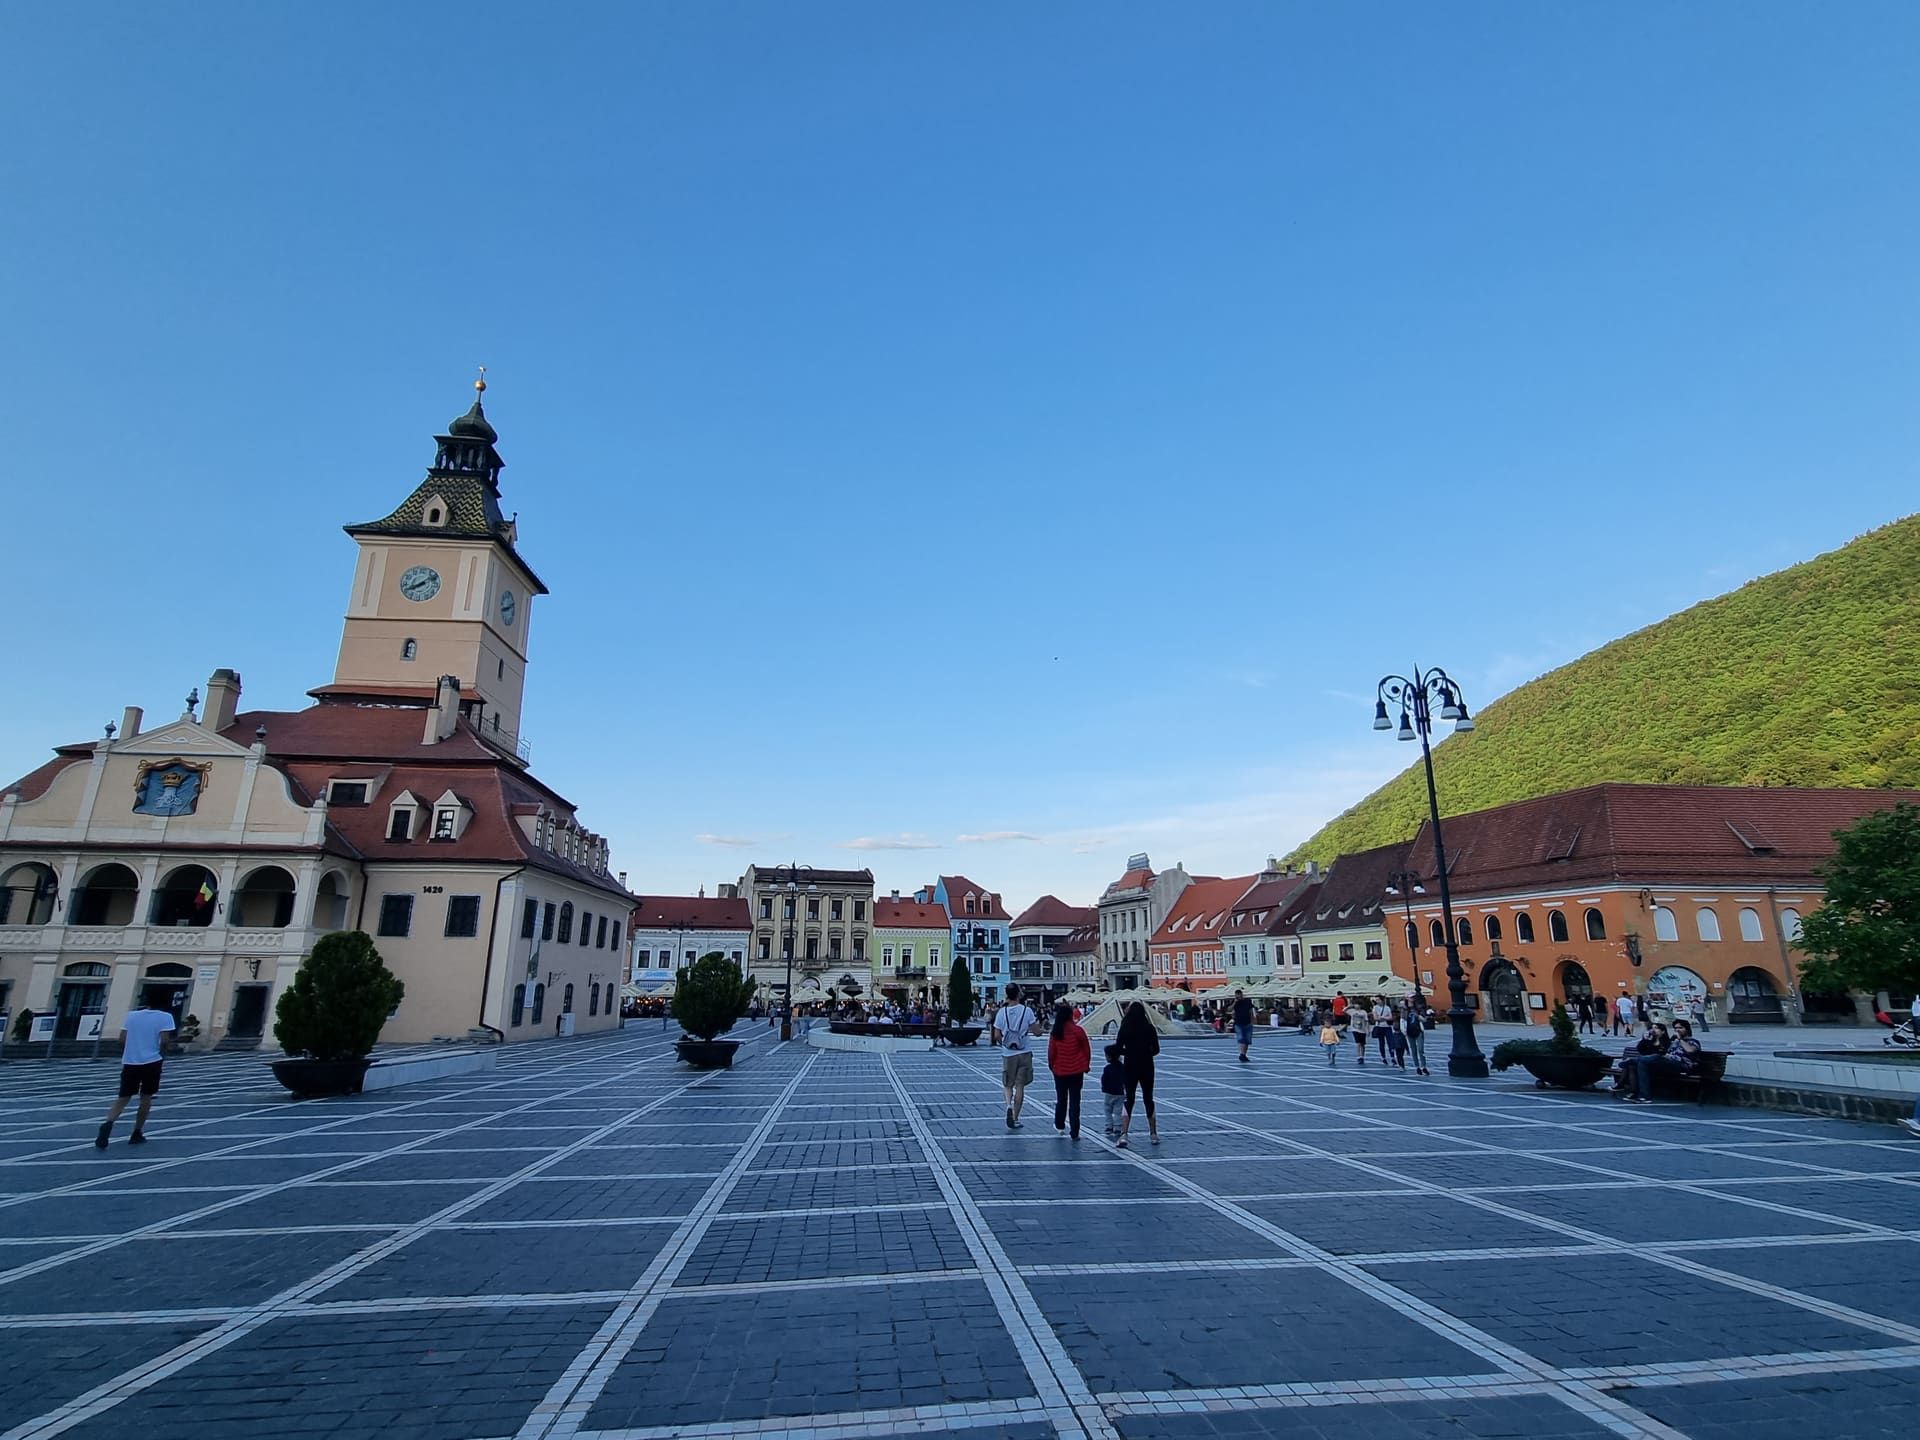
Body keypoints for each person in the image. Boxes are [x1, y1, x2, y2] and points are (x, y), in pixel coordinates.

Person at [96, 998, 176, 1148]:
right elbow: (164, 1040)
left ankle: (108, 1122)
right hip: (152, 1061)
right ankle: (137, 1132)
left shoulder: (131, 1015)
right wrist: (163, 1054)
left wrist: (129, 1052)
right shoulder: (166, 1017)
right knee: (146, 1098)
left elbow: (121, 1039)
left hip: (130, 1062)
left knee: (123, 1097)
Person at [1113, 1001, 1161, 1148]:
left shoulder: (1125, 1027)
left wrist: (1129, 1052)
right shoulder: (1149, 1028)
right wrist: (1146, 1053)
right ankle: (1153, 1134)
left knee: (1129, 1099)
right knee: (1148, 1098)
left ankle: (1124, 1134)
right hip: (1147, 1065)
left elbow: (1118, 1048)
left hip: (1130, 1065)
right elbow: (1157, 1049)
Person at [991, 984, 1038, 1129]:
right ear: (1018, 994)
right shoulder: (1027, 1011)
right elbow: (1036, 1031)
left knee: (1007, 1084)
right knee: (1020, 1086)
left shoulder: (1001, 1012)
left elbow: (997, 1035)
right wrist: (1041, 1030)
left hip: (1008, 1054)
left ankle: (1008, 1106)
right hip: (1024, 1052)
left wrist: (1004, 1044)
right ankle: (1016, 1118)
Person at [1624, 1018, 1700, 1103]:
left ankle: (1632, 1060)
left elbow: (1690, 1050)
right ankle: (1644, 1096)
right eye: (1676, 1028)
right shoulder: (1674, 1042)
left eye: (1680, 1028)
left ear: (1687, 1029)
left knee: (1655, 1057)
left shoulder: (1693, 1041)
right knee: (1642, 1063)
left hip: (1682, 1066)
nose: (1677, 1030)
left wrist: (1680, 1040)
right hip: (1668, 1064)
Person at [1047, 1002, 1090, 1140]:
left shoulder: (1056, 1032)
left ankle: (1059, 1124)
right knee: (1075, 1101)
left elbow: (1052, 1052)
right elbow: (1086, 1050)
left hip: (1060, 1071)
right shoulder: (1078, 1031)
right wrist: (1086, 1064)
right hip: (1077, 1070)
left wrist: (1051, 1066)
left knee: (1061, 1099)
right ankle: (1075, 1131)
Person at [1099, 1043, 1127, 1135]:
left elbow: (1104, 1079)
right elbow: (1126, 1080)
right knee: (1118, 1111)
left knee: (1107, 1110)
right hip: (1120, 1093)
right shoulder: (1123, 1068)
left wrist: (1104, 1088)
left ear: (1109, 1057)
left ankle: (1108, 1126)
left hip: (1109, 1093)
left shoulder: (1107, 1068)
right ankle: (1118, 1127)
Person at [1405, 1004, 1430, 1075]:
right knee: (1414, 1050)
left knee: (1420, 1049)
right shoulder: (1405, 1014)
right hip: (1409, 1032)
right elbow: (1402, 1020)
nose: (1412, 1011)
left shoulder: (1417, 1014)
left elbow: (1424, 1020)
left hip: (1418, 1031)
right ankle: (1417, 1067)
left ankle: (1423, 1066)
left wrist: (1420, 1016)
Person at [1232, 989, 1255, 1064]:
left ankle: (1244, 1054)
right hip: (1238, 1023)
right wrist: (1235, 1002)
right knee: (1241, 1038)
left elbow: (1251, 1011)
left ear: (1242, 994)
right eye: (1237, 995)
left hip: (1247, 1023)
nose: (1238, 997)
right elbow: (1229, 1009)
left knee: (1247, 1040)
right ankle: (1241, 1054)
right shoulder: (1235, 1003)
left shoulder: (1247, 1001)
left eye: (1239, 995)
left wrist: (1252, 1021)